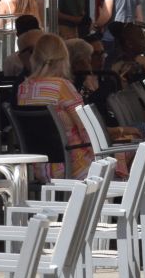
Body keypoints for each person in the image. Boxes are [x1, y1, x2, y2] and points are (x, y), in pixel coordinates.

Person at [17, 33, 96, 178]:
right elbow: (85, 127)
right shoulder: (62, 87)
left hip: (38, 167)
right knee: (123, 158)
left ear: (35, 58)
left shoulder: (23, 88)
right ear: (64, 59)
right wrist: (99, 153)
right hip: (73, 165)